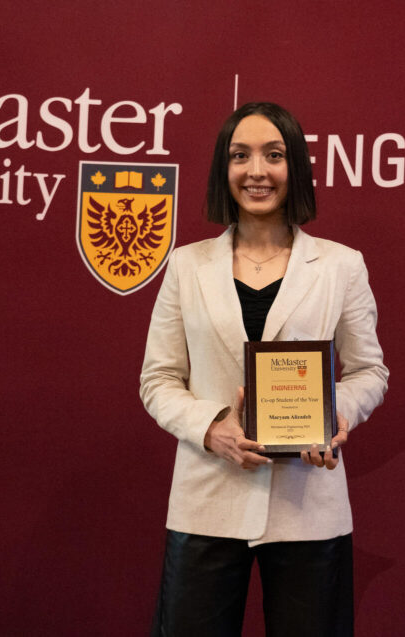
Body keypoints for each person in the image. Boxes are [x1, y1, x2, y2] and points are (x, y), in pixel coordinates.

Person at [140, 102, 388, 636]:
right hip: (206, 500)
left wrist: (330, 417)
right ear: (222, 170)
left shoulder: (342, 265)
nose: (256, 171)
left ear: (294, 166)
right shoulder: (186, 265)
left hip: (308, 507)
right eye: (240, 156)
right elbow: (157, 380)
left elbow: (369, 372)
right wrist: (211, 428)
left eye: (273, 155)